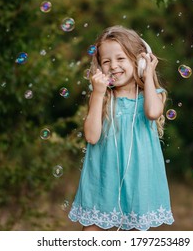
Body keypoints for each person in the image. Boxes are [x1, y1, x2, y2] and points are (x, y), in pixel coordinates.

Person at [68, 25, 174, 231]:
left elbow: (153, 112)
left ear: (139, 61)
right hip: (103, 178)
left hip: (138, 180)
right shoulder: (102, 96)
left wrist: (149, 74)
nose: (113, 66)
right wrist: (97, 94)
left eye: (120, 58)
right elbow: (91, 136)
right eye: (106, 61)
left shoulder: (152, 95)